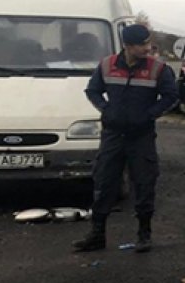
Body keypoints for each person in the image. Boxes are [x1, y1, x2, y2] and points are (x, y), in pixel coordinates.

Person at [73, 24, 178, 253]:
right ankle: (97, 234)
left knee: (144, 183)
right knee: (104, 182)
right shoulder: (107, 65)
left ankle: (144, 234)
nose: (147, 48)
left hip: (141, 137)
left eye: (148, 43)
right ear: (128, 46)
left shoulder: (158, 68)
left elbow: (171, 96)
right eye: (142, 44)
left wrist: (149, 115)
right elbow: (92, 91)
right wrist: (106, 109)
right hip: (113, 135)